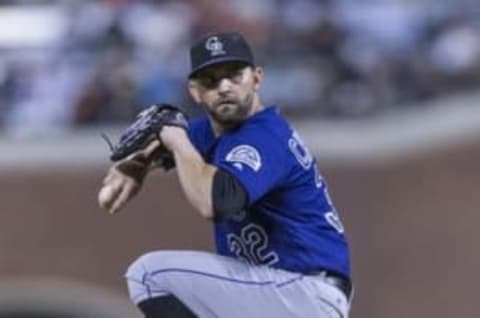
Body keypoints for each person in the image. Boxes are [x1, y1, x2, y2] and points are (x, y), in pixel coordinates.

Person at [99, 32, 352, 318]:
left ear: (256, 78)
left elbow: (217, 202)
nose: (224, 86)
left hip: (303, 292)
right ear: (195, 91)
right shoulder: (212, 132)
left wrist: (176, 142)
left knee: (149, 276)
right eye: (211, 79)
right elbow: (163, 137)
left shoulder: (264, 135)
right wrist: (138, 164)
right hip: (280, 294)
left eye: (234, 75)